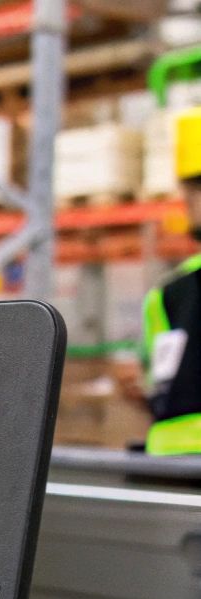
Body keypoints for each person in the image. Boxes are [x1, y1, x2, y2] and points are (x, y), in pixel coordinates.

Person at [133, 108, 201, 454]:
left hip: (169, 464)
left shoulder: (171, 291)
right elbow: (161, 386)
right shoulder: (167, 293)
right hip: (167, 463)